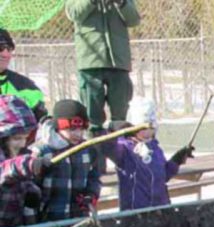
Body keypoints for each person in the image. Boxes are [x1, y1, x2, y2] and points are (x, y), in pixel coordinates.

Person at [102, 97, 194, 211]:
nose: (149, 130)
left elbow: (162, 176)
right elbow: (106, 146)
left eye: (151, 125)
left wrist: (177, 160)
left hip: (161, 209)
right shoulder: (125, 149)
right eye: (144, 126)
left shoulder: (155, 147)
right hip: (136, 213)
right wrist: (111, 129)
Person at [65, 0, 141, 136]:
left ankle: (120, 147)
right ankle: (95, 149)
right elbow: (74, 14)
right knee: (92, 116)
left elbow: (134, 20)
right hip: (90, 60)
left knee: (120, 113)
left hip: (118, 61)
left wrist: (121, 3)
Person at [31, 99, 101, 221]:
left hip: (77, 217)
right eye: (72, 129)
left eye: (81, 130)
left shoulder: (87, 149)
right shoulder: (42, 151)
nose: (78, 134)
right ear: (58, 128)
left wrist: (91, 194)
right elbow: (31, 187)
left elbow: (94, 176)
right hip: (48, 218)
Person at [0, 95, 49, 227]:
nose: (22, 143)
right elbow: (5, 170)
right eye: (17, 138)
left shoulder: (22, 152)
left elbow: (19, 181)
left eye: (25, 138)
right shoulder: (19, 161)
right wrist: (25, 165)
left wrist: (32, 191)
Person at [0, 29, 48, 122]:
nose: (6, 54)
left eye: (9, 49)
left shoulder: (27, 87)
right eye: (0, 48)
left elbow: (42, 124)